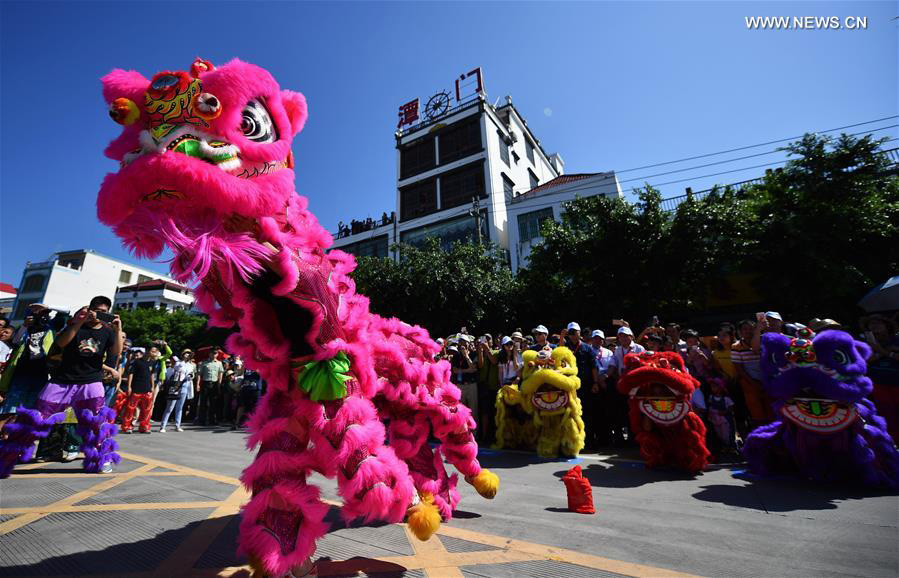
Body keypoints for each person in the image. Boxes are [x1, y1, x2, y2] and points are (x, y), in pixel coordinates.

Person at [0, 296, 122, 476]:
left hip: (91, 382)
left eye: (104, 312)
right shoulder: (74, 325)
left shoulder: (108, 331)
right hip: (62, 380)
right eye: (96, 310)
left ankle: (101, 460)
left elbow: (116, 352)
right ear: (89, 308)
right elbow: (61, 343)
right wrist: (79, 322)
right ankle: (6, 458)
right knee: (35, 419)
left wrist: (118, 329)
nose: (99, 315)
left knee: (97, 423)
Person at [0, 307, 55, 414]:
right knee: (11, 411)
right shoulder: (25, 330)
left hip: (40, 375)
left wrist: (48, 308)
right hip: (21, 373)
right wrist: (25, 325)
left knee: (30, 412)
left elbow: (65, 313)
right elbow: (16, 341)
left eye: (43, 316)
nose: (40, 319)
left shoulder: (50, 330)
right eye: (37, 316)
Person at [731, 319, 774, 429]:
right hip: (749, 382)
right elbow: (739, 368)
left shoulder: (764, 341)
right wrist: (753, 383)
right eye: (745, 329)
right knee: (756, 411)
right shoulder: (736, 346)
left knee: (771, 409)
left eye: (751, 328)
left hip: (768, 380)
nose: (748, 331)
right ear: (739, 332)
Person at [160, 349, 196, 432]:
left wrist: (191, 376)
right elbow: (177, 368)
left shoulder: (191, 365)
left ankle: (177, 425)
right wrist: (183, 360)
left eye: (189, 354)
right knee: (170, 407)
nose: (188, 355)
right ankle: (163, 426)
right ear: (182, 354)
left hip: (185, 386)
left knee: (180, 407)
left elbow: (192, 374)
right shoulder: (178, 362)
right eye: (186, 353)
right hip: (176, 386)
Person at [121, 347, 154, 434]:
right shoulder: (137, 361)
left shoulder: (151, 362)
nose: (154, 353)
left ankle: (144, 427)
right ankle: (127, 427)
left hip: (147, 389)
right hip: (136, 388)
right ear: (147, 352)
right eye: (152, 351)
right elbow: (131, 374)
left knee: (147, 410)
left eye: (155, 351)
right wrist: (129, 387)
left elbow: (152, 375)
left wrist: (153, 387)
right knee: (131, 409)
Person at [475, 336, 499, 444]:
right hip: (483, 386)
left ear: (492, 341)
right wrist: (480, 351)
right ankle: (484, 436)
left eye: (488, 339)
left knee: (494, 412)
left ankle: (494, 435)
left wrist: (486, 349)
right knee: (484, 412)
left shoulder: (496, 352)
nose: (486, 341)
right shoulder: (481, 352)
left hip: (494, 386)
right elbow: (480, 365)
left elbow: (494, 361)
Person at [196, 347, 225, 426]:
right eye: (212, 353)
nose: (214, 355)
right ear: (209, 354)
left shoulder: (219, 363)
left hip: (214, 384)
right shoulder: (204, 363)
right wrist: (198, 384)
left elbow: (220, 373)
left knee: (213, 403)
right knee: (203, 402)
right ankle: (202, 420)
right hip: (205, 383)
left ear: (217, 354)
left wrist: (219, 383)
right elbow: (199, 374)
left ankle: (212, 420)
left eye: (215, 353)